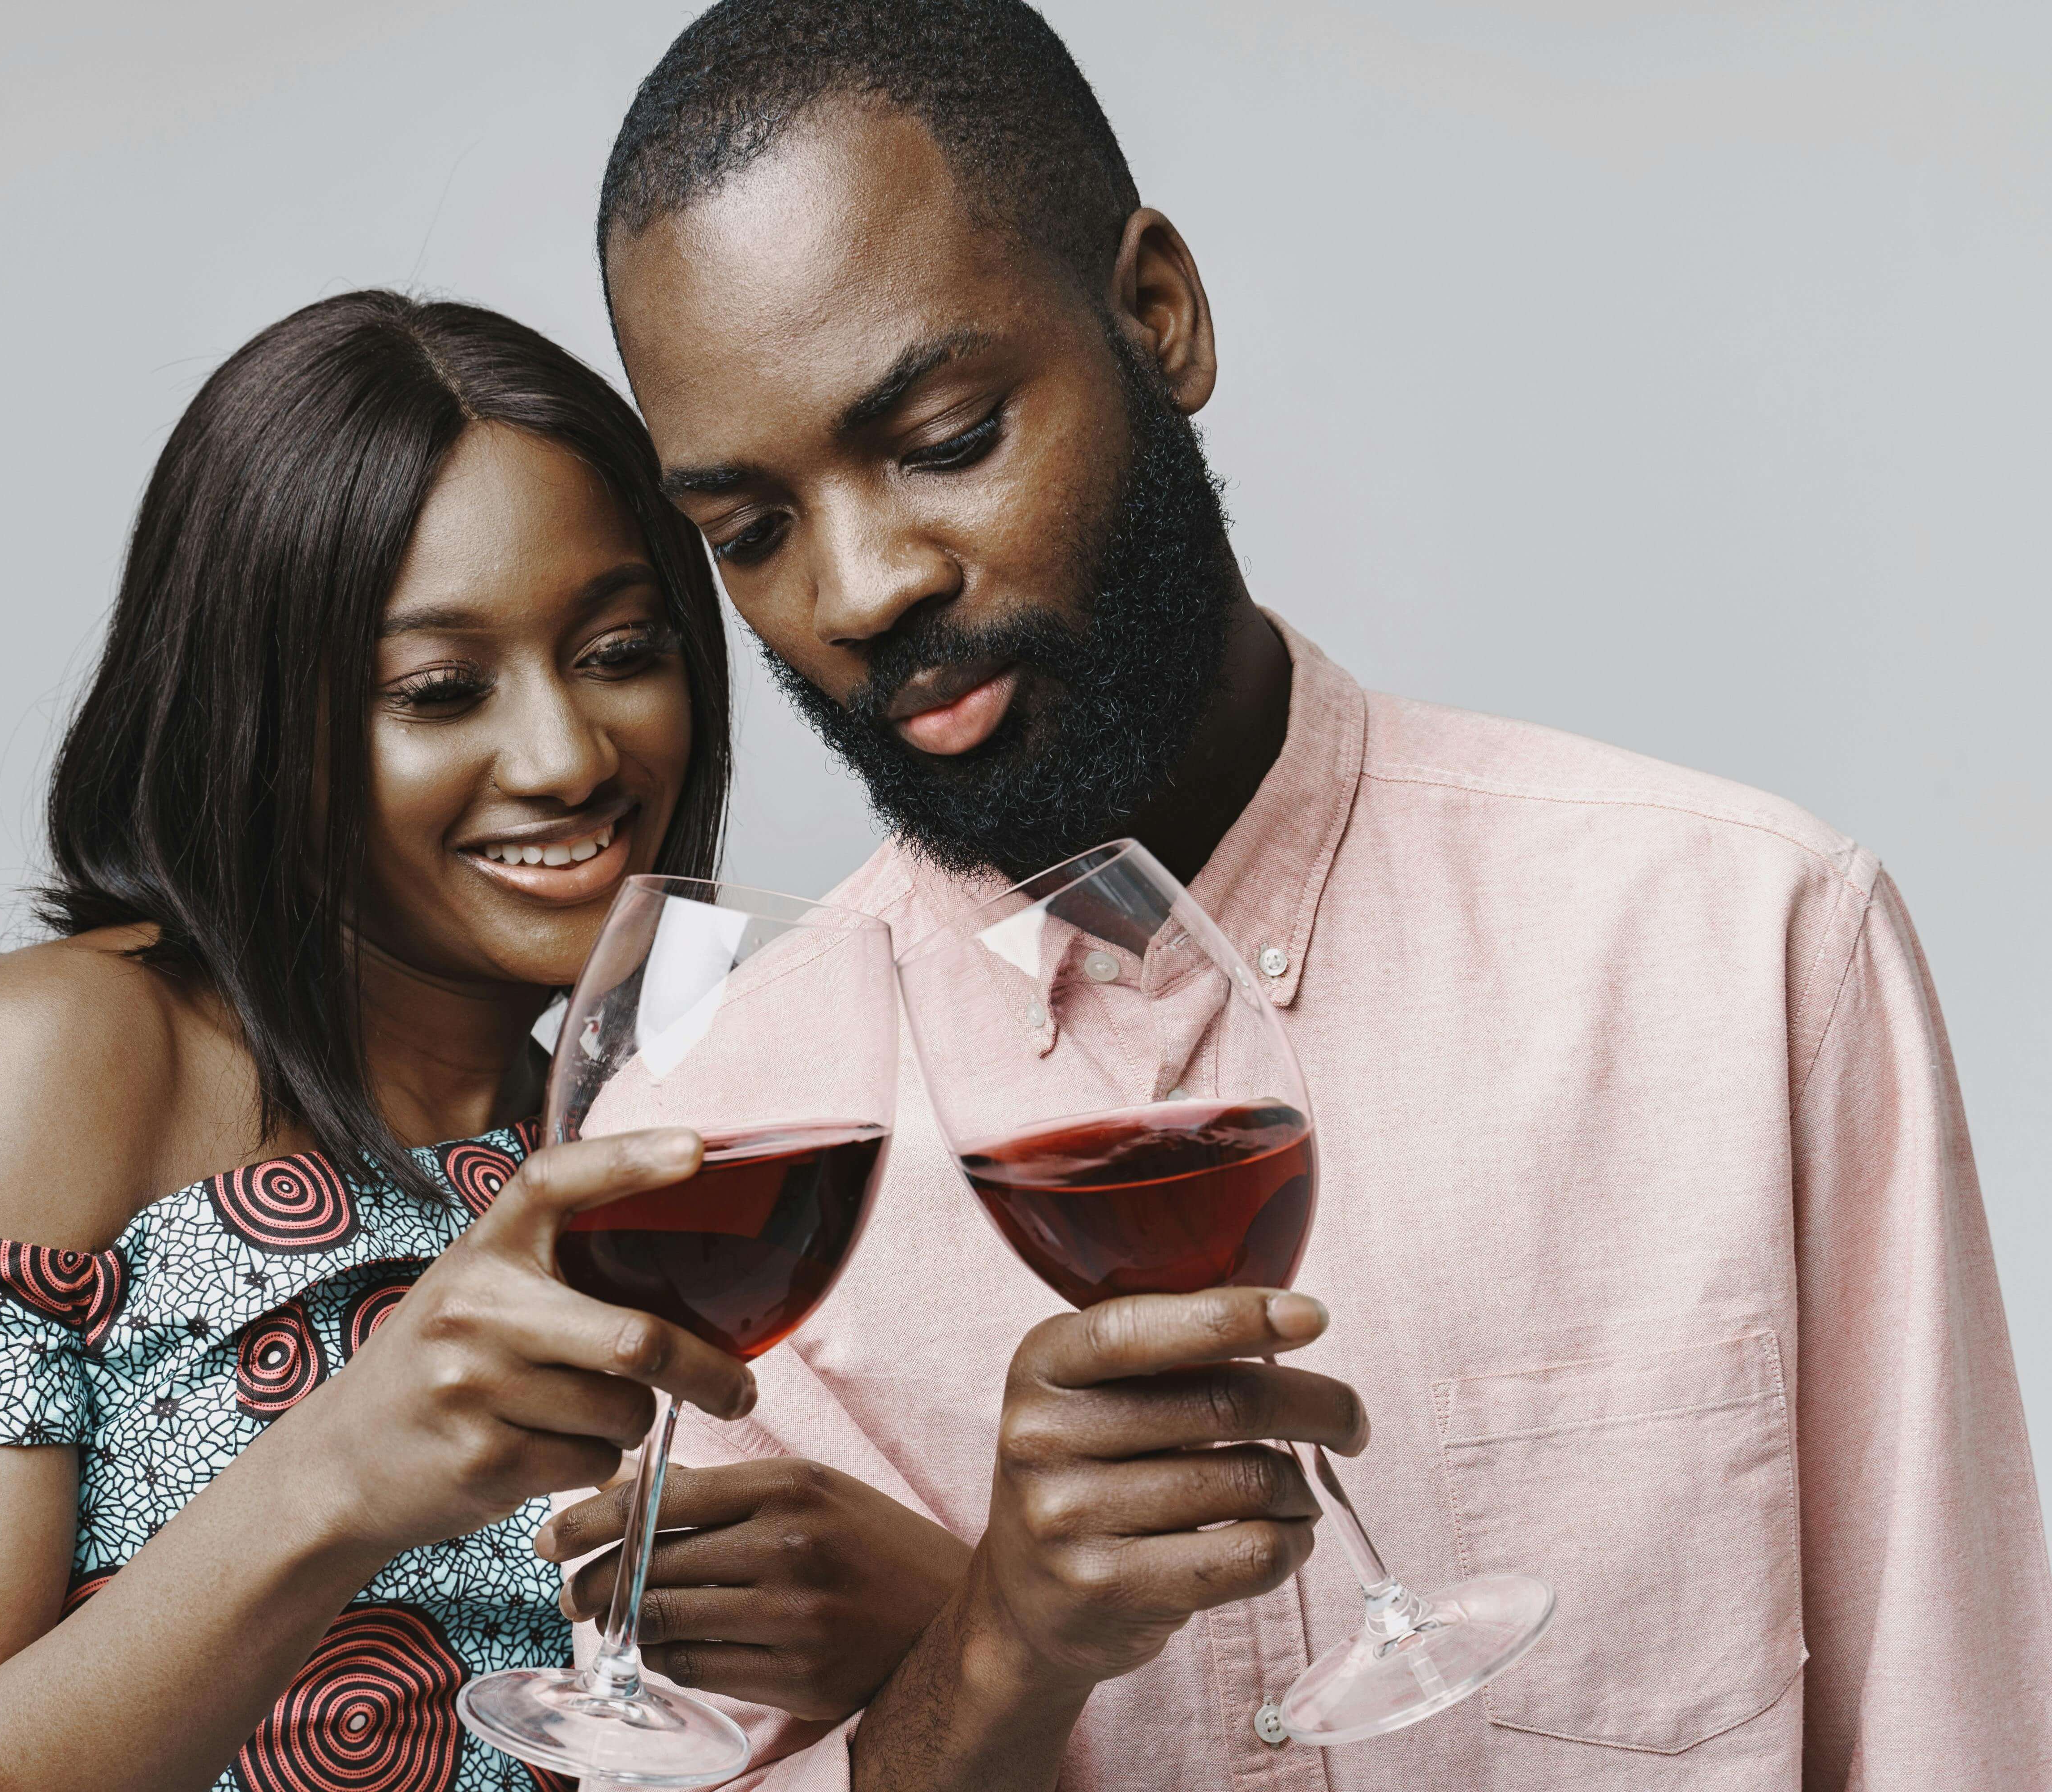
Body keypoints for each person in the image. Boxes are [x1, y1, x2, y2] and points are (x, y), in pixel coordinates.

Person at [536, 3, 2052, 1788]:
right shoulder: (705, 1145)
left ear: (1158, 316)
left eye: (944, 435)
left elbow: (1959, 1732)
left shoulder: (1747, 945)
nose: (861, 589)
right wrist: (994, 1650)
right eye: (749, 533)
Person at [0, 291, 954, 1792]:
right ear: (260, 719)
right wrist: (332, 1478)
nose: (567, 758)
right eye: (441, 692)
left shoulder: (660, 1135)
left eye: (619, 651)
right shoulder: (51, 1063)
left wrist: (939, 1626)